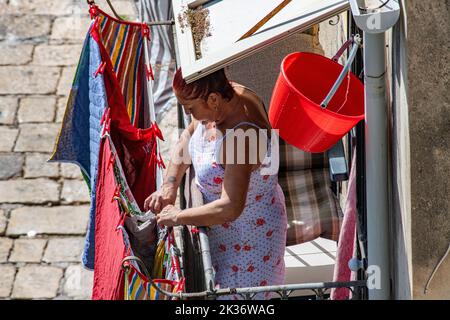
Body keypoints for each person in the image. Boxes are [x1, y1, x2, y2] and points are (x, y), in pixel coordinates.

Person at [144, 68, 287, 300]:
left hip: (249, 245)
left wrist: (178, 216)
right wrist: (169, 186)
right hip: (222, 236)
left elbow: (230, 207)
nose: (187, 113)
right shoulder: (220, 96)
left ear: (212, 99)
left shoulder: (242, 138)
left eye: (190, 108)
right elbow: (187, 136)